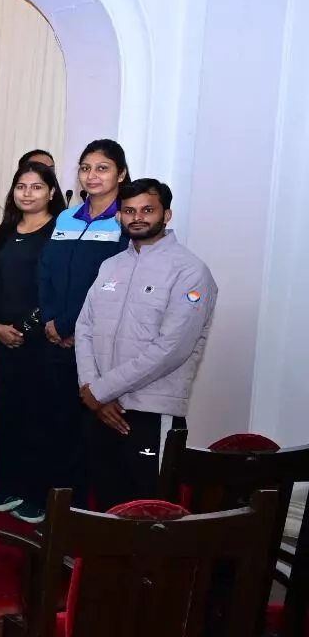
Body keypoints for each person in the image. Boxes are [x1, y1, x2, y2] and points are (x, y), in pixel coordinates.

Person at [75, 179, 217, 509]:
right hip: (102, 408)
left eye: (147, 210)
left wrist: (100, 390)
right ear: (119, 216)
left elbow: (172, 349)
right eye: (129, 211)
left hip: (151, 412)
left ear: (166, 214)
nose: (137, 217)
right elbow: (85, 328)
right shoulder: (110, 266)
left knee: (151, 508)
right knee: (108, 502)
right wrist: (91, 388)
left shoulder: (190, 271)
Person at [37, 140, 130, 502]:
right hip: (56, 338)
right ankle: (62, 507)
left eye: (102, 168)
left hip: (97, 342)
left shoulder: (125, 221)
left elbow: (111, 285)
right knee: (57, 426)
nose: (92, 175)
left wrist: (72, 326)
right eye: (85, 168)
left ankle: (92, 514)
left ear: (121, 174)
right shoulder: (66, 217)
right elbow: (45, 270)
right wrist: (51, 319)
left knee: (94, 430)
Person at [0, 162, 67, 523]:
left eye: (36, 187)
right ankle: (7, 487)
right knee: (6, 414)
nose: (27, 193)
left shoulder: (60, 231)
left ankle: (37, 495)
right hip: (4, 340)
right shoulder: (5, 231)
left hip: (41, 342)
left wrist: (24, 328)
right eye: (21, 186)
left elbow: (58, 287)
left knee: (40, 417)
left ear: (51, 192)